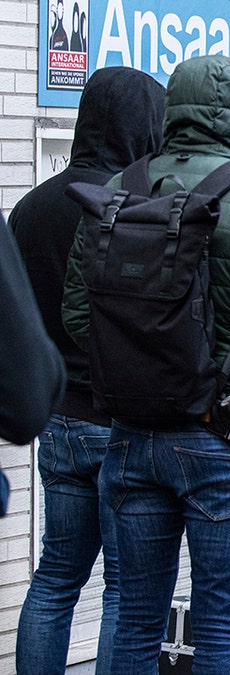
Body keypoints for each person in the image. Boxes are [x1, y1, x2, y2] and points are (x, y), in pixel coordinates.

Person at [61, 55, 230, 672]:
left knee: (136, 622)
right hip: (223, 440)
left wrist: (142, 371)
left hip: (131, 439)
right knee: (220, 630)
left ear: (175, 111)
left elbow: (79, 318)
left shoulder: (116, 190)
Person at [12, 66, 164, 675]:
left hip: (58, 422)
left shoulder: (31, 208)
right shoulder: (137, 207)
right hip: (120, 422)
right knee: (125, 590)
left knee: (55, 577)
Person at [0, 211, 66, 512]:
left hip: (69, 415)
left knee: (61, 554)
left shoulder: (29, 207)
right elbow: (27, 399)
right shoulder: (128, 201)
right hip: (107, 409)